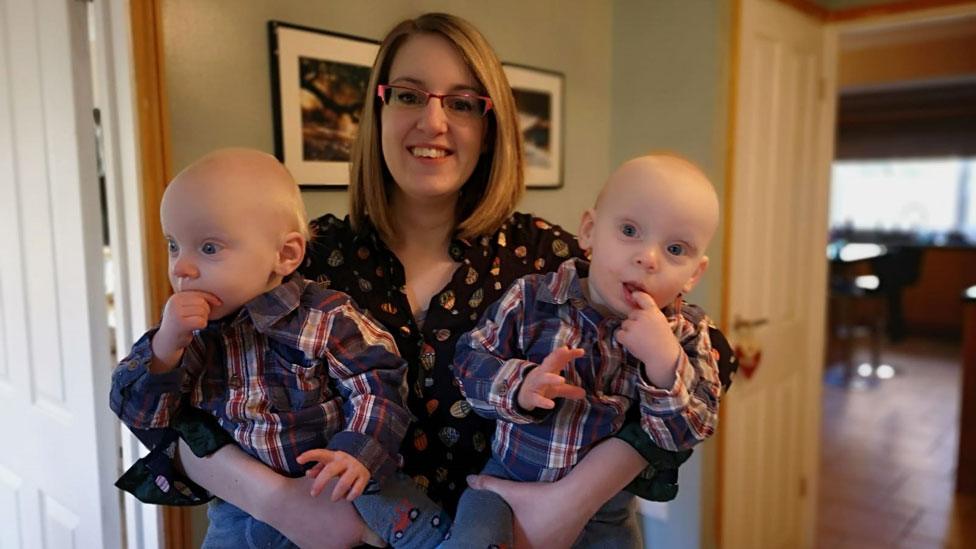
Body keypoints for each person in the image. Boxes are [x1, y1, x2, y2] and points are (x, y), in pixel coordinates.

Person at [116, 13, 736, 548]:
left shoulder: (552, 258)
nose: (434, 122)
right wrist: (277, 502)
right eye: (410, 95)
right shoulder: (302, 259)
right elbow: (174, 400)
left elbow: (707, 361)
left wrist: (574, 498)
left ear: (489, 125)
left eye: (463, 103)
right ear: (379, 108)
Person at [109, 148, 448, 547]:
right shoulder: (191, 334)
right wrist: (165, 350)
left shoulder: (326, 317)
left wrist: (357, 451)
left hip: (333, 488)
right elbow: (145, 416)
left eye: (209, 248)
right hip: (238, 510)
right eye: (173, 245)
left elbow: (378, 383)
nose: (181, 267)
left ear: (285, 255)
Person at [448, 154, 727, 545]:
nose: (648, 258)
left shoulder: (686, 334)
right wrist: (520, 383)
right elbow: (469, 360)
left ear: (695, 273)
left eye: (676, 250)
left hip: (606, 514)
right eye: (629, 230)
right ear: (589, 231)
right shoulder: (532, 298)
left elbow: (685, 434)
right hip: (500, 490)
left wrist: (663, 364)